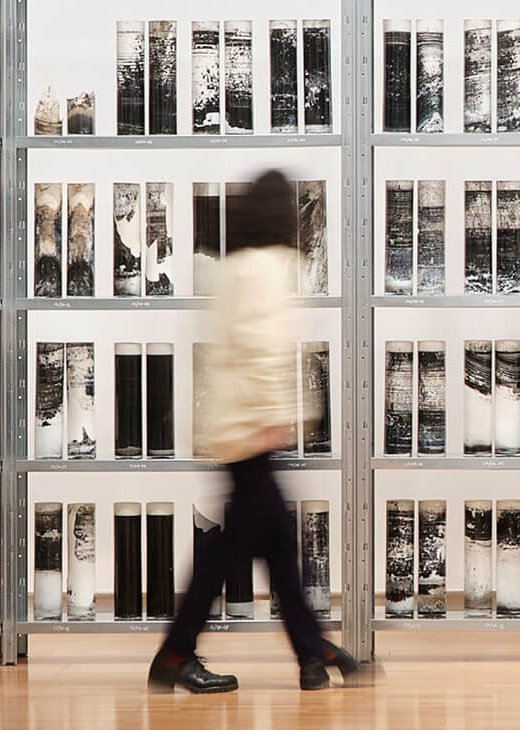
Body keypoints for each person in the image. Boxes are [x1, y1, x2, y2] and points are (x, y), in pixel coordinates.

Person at [147, 170, 360, 693]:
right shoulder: (269, 268)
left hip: (233, 425)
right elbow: (263, 348)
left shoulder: (236, 266)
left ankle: (313, 653)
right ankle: (177, 653)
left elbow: (227, 349)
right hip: (252, 427)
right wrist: (275, 417)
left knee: (277, 543)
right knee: (234, 549)